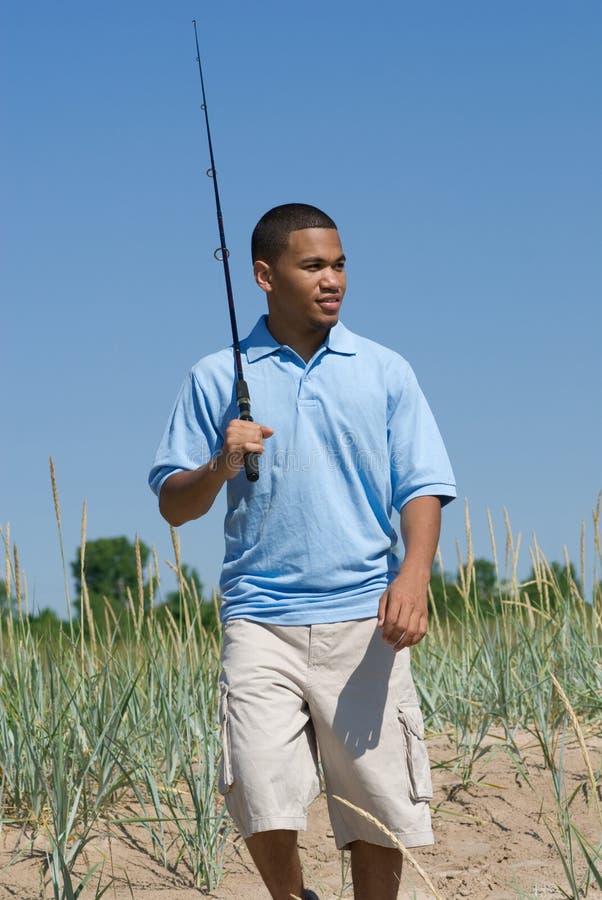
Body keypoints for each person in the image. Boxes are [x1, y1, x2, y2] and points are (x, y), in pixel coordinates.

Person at [149, 203, 456, 900]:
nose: (332, 279)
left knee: (377, 805)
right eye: (313, 265)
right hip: (259, 620)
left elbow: (424, 487)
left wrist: (414, 575)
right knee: (257, 786)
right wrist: (221, 464)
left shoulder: (384, 370)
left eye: (340, 264)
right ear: (264, 275)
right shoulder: (212, 376)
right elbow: (173, 502)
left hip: (365, 616)